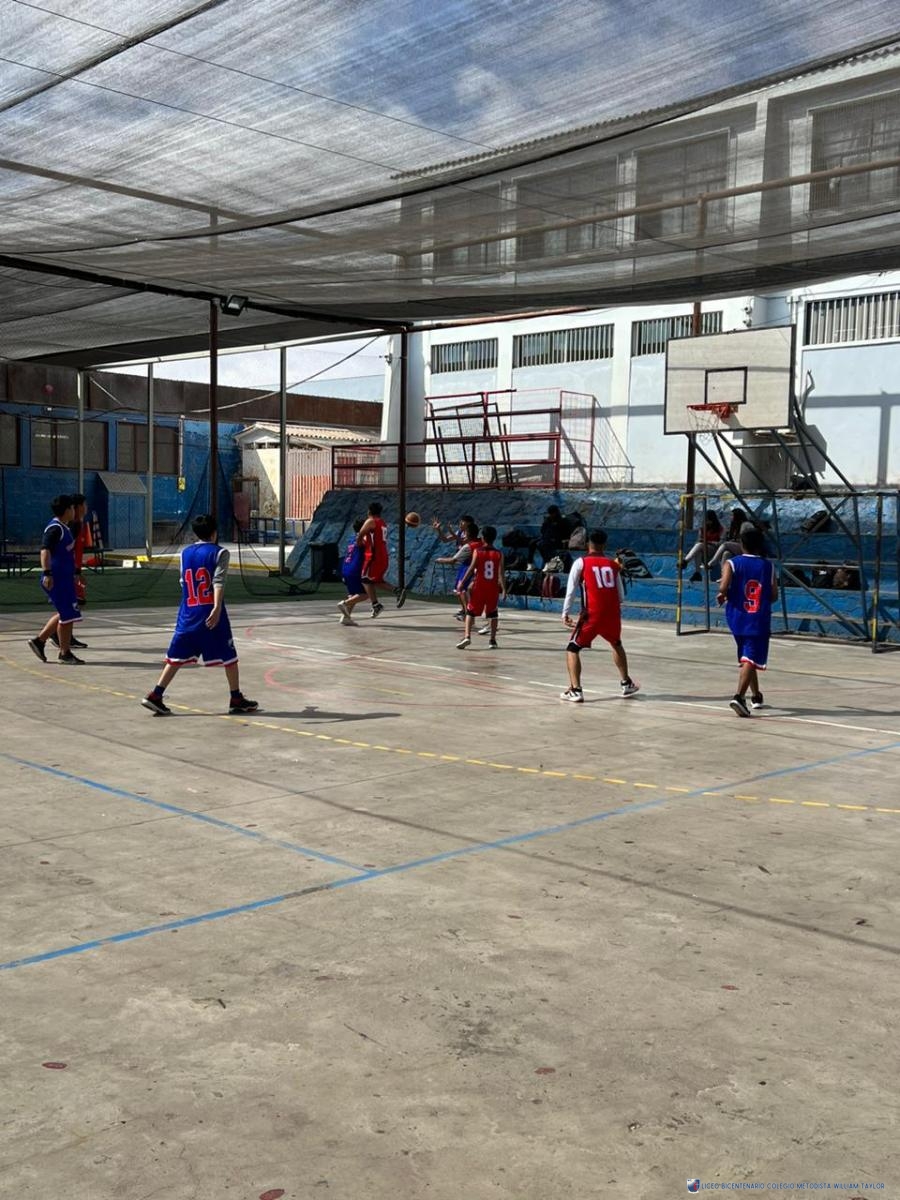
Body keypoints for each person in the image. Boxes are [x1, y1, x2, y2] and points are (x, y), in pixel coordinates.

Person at [141, 513, 258, 715]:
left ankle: (156, 694)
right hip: (209, 612)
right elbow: (218, 581)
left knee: (176, 657)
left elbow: (183, 582)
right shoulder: (220, 553)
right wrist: (216, 607)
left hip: (188, 612)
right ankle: (236, 698)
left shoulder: (185, 553)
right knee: (229, 656)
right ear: (215, 532)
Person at [560, 528, 639, 702]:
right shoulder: (613, 565)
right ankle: (626, 682)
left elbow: (571, 590)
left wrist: (565, 613)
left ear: (588, 543)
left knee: (573, 649)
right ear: (605, 544)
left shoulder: (581, 562)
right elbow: (621, 596)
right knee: (616, 643)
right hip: (612, 615)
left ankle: (576, 689)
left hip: (592, 614)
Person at [717, 522, 777, 717]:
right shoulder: (768, 566)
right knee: (750, 658)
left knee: (747, 657)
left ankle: (756, 696)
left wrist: (725, 594)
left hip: (736, 617)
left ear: (742, 544)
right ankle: (739, 697)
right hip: (757, 618)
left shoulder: (732, 563)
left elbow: (723, 587)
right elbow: (774, 595)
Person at [28, 494, 85, 665]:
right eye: (72, 508)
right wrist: (47, 573)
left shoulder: (64, 528)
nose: (74, 511)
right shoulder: (55, 528)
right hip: (57, 580)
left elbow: (65, 555)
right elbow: (45, 550)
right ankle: (64, 653)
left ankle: (40, 641)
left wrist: (76, 573)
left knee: (67, 613)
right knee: (67, 615)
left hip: (65, 579)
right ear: (67, 510)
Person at [48, 492, 90, 651]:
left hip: (71, 570)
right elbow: (64, 550)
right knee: (72, 606)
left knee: (75, 605)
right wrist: (75, 571)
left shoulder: (78, 524)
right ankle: (51, 636)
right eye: (84, 505)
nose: (86, 507)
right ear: (77, 507)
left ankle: (63, 636)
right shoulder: (71, 526)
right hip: (67, 572)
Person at [456, 526, 506, 650]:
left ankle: (467, 636)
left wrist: (463, 582)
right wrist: (504, 589)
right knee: (493, 614)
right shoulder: (499, 554)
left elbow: (471, 568)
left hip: (479, 586)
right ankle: (492, 640)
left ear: (482, 538)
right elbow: (501, 573)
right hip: (492, 588)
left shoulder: (477, 551)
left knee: (470, 612)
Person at [436, 518, 481, 621]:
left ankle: (468, 613)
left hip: (469, 565)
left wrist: (440, 560)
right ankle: (465, 610)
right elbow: (445, 539)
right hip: (465, 563)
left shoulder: (470, 542)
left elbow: (463, 543)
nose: (460, 523)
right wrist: (439, 530)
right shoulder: (461, 533)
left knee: (463, 589)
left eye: (463, 522)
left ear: (469, 525)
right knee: (459, 588)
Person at [356, 501, 390, 617]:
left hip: (373, 556)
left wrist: (359, 542)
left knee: (365, 579)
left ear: (369, 511)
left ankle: (376, 604)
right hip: (383, 555)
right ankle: (395, 592)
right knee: (375, 581)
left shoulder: (371, 521)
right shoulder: (383, 523)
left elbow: (361, 533)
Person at [678, 509, 723, 582]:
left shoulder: (720, 529)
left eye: (708, 520)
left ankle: (685, 561)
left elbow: (721, 543)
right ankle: (697, 573)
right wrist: (702, 541)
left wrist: (709, 542)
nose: (707, 522)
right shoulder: (702, 529)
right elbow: (698, 540)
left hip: (714, 550)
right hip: (703, 548)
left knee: (699, 545)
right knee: (698, 551)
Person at [337, 518, 367, 625]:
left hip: (346, 568)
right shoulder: (363, 539)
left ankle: (346, 617)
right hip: (355, 570)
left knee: (353, 594)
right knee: (365, 594)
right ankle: (344, 603)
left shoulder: (352, 538)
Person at [706, 508, 750, 576]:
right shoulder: (734, 525)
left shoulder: (745, 524)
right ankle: (723, 575)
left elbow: (746, 538)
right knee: (726, 554)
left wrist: (735, 540)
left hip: (746, 547)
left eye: (732, 515)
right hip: (738, 547)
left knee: (725, 544)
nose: (730, 517)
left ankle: (713, 562)